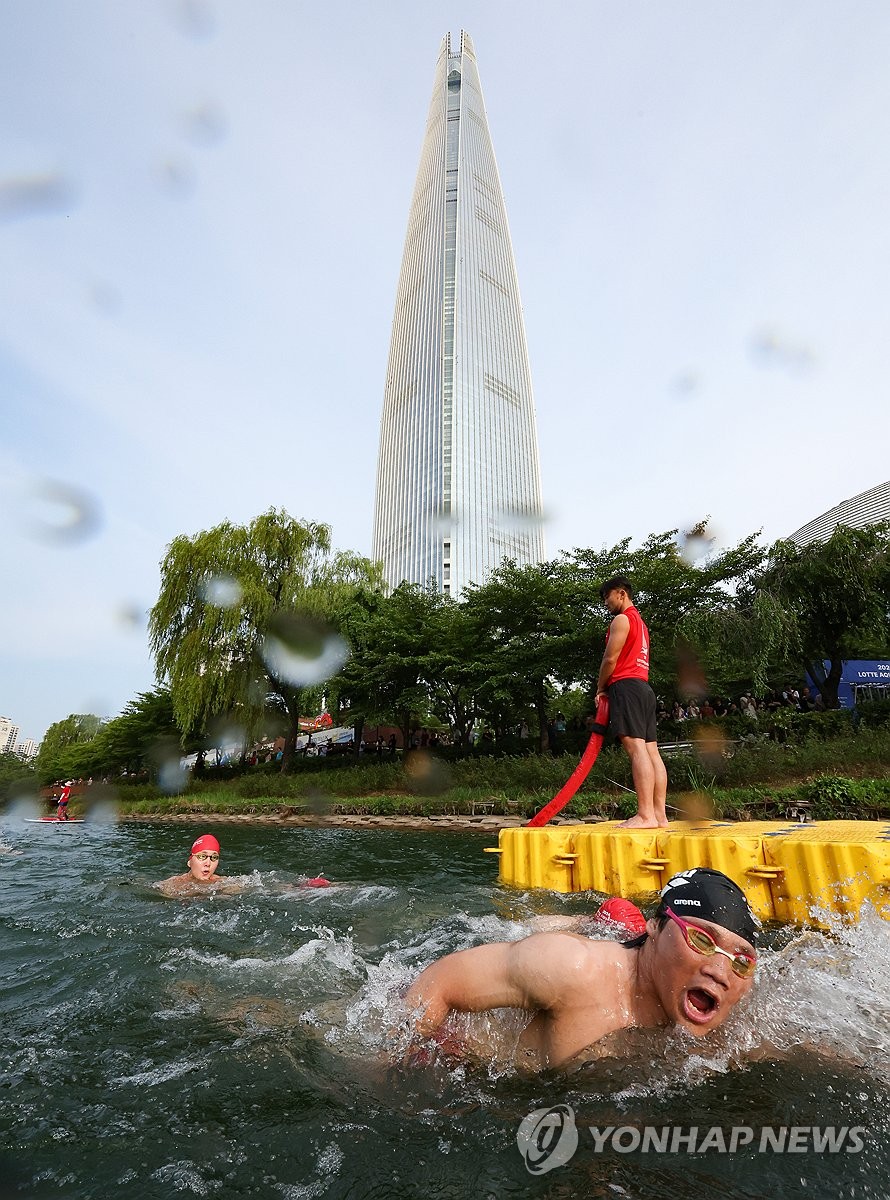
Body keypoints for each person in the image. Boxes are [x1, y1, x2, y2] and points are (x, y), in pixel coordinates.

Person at [403, 868, 759, 1073]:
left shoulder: (737, 1023)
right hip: (458, 1049)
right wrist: (396, 1059)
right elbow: (442, 979)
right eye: (700, 939)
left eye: (741, 959)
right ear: (655, 926)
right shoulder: (570, 968)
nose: (720, 970)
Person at [595, 576, 668, 828]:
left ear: (621, 593)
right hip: (644, 687)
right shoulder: (640, 623)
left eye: (607, 596)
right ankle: (659, 816)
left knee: (636, 749)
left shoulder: (622, 619)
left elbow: (610, 659)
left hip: (626, 686)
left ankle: (645, 815)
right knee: (650, 750)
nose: (605, 603)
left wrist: (600, 687)